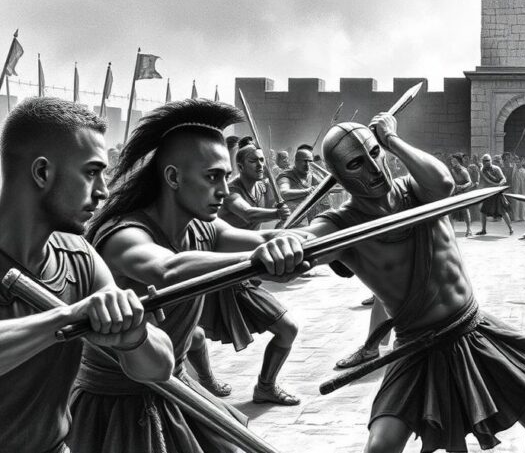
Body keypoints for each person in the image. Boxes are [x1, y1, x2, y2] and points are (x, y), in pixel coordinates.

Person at [305, 114, 525, 453]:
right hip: (417, 347)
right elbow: (302, 242)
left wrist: (391, 139)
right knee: (381, 447)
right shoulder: (342, 224)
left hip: (471, 329)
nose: (373, 168)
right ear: (339, 175)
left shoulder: (418, 190)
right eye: (356, 163)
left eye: (374, 153)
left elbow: (444, 184)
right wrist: (282, 246)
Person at [69, 100, 308, 452]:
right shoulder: (124, 235)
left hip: (176, 386)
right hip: (118, 404)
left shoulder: (202, 226)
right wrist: (254, 259)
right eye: (212, 177)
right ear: (173, 177)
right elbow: (166, 269)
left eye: (225, 176)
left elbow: (265, 238)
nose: (223, 190)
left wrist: (310, 238)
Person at [0, 97, 175, 453]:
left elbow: (159, 368)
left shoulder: (77, 256)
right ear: (42, 173)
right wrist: (67, 318)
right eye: (91, 172)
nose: (103, 191)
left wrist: (135, 336)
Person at [195, 141, 302, 405]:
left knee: (287, 329)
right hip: (217, 272)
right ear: (240, 166)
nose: (260, 165)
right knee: (191, 334)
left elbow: (281, 203)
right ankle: (205, 380)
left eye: (262, 160)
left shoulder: (264, 187)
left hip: (244, 273)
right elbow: (248, 213)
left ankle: (265, 387)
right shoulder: (231, 191)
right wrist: (275, 212)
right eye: (254, 161)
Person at [276, 143, 327, 226]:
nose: (307, 164)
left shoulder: (312, 174)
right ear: (296, 161)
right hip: (292, 221)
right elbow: (284, 193)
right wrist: (307, 191)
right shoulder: (286, 175)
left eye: (310, 161)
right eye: (304, 161)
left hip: (311, 220)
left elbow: (326, 186)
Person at [475, 153, 514, 236]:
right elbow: (481, 182)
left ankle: (511, 229)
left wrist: (499, 186)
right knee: (483, 211)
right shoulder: (482, 170)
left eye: (487, 160)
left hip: (497, 193)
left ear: (490, 161)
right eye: (484, 161)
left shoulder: (496, 169)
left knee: (502, 211)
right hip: (488, 193)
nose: (486, 162)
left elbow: (503, 179)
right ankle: (483, 230)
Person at [447, 153, 474, 237]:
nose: (453, 163)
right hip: (453, 192)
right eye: (452, 161)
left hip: (463, 192)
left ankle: (469, 229)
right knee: (450, 211)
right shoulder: (451, 170)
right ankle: (451, 230)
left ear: (459, 161)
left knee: (465, 211)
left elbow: (470, 182)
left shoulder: (463, 170)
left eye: (455, 161)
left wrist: (462, 187)